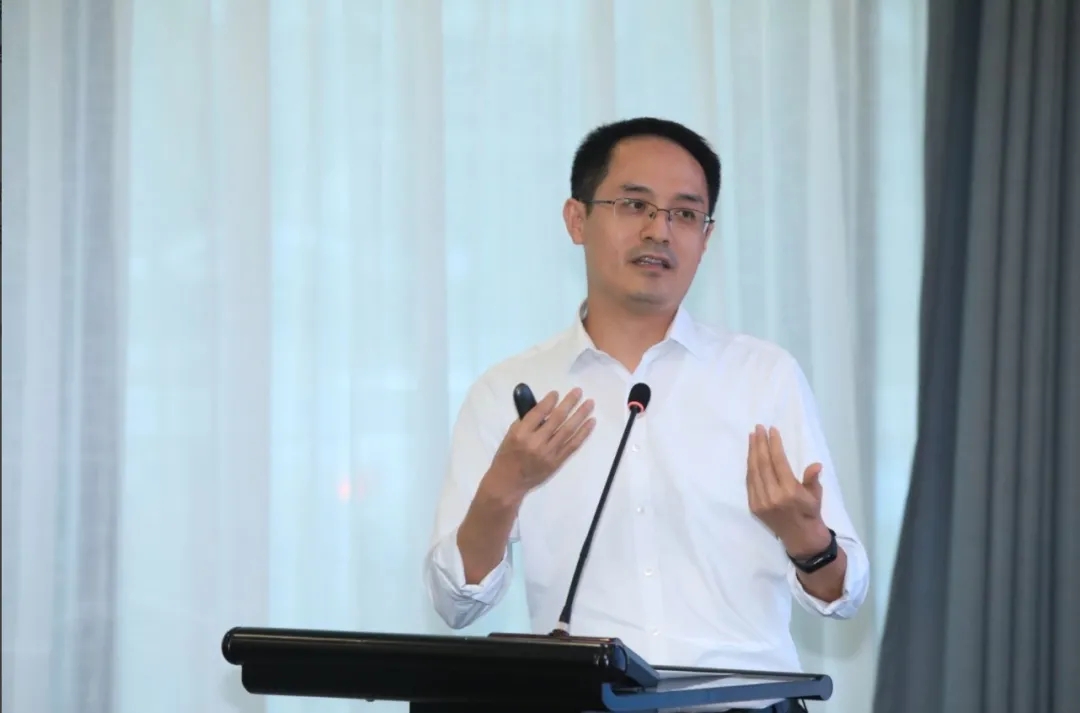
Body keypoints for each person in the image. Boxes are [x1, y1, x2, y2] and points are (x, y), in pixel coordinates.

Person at [423, 117, 870, 713]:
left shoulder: (763, 377)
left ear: (706, 238)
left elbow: (842, 595)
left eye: (685, 214)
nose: (659, 230)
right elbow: (457, 603)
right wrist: (505, 487)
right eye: (634, 204)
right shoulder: (507, 391)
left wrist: (805, 538)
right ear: (577, 219)